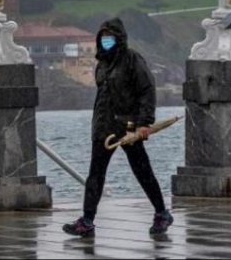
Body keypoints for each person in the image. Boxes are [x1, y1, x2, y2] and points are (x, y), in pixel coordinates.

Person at [63, 18, 173, 237]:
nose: (105, 41)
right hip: (104, 128)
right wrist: (97, 126)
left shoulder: (132, 59)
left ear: (119, 38)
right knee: (95, 174)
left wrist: (144, 123)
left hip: (129, 127)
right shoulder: (102, 62)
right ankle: (87, 221)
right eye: (103, 37)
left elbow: (147, 90)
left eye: (110, 37)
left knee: (142, 171)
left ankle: (162, 213)